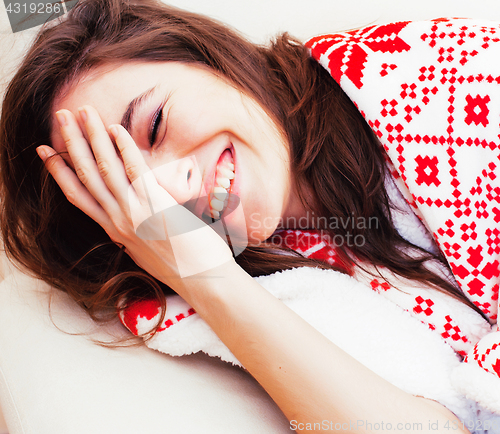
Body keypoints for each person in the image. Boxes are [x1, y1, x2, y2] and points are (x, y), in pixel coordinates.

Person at [0, 0, 486, 431]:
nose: (171, 188)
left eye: (155, 125)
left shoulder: (430, 75)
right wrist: (205, 277)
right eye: (131, 191)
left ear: (212, 58)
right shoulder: (258, 281)